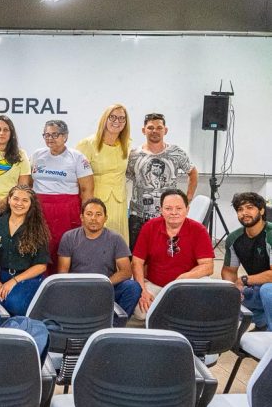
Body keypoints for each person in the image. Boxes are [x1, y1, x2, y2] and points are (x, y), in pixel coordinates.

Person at [131, 189, 214, 320]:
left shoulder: (199, 230)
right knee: (140, 312)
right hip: (155, 284)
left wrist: (184, 278)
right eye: (168, 208)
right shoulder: (149, 227)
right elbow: (137, 262)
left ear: (187, 209)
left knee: (203, 301)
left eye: (179, 208)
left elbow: (208, 266)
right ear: (161, 210)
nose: (174, 213)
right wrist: (143, 291)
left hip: (185, 284)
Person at [57, 198, 142, 316]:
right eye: (89, 214)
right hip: (77, 289)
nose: (93, 218)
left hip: (106, 287)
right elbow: (62, 272)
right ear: (82, 217)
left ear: (105, 218)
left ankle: (115, 326)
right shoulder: (69, 237)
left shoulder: (116, 239)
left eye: (98, 214)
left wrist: (103, 284)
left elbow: (126, 272)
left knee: (133, 287)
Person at [30, 120, 94, 274]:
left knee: (64, 246)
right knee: (41, 245)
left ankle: (63, 282)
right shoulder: (37, 155)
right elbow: (30, 184)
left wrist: (85, 215)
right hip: (40, 209)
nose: (50, 138)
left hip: (66, 209)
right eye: (46, 134)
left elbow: (87, 190)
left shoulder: (77, 157)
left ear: (65, 136)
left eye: (55, 134)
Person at [126, 113, 198, 249]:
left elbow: (193, 173)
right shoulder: (134, 155)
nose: (155, 131)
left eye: (159, 127)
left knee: (164, 255)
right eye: (150, 127)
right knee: (137, 256)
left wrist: (187, 199)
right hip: (138, 217)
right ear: (143, 130)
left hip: (167, 217)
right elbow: (128, 176)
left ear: (165, 130)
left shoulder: (176, 153)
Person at [0, 185, 51, 316]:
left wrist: (13, 281)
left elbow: (41, 266)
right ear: (9, 200)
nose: (19, 203)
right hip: (1, 274)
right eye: (15, 199)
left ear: (31, 204)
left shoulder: (38, 229)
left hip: (26, 278)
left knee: (15, 303)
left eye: (25, 200)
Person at [77, 104, 132, 244]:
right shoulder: (87, 144)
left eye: (121, 118)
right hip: (95, 201)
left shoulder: (127, 144)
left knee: (117, 245)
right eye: (112, 117)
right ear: (104, 119)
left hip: (119, 203)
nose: (117, 121)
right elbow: (76, 177)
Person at [222, 192, 272, 331]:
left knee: (268, 291)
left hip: (268, 289)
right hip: (255, 289)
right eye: (240, 209)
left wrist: (244, 280)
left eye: (249, 207)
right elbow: (228, 271)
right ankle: (262, 323)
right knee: (219, 300)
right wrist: (234, 290)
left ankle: (269, 339)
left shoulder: (270, 235)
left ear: (261, 210)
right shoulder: (234, 239)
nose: (244, 213)